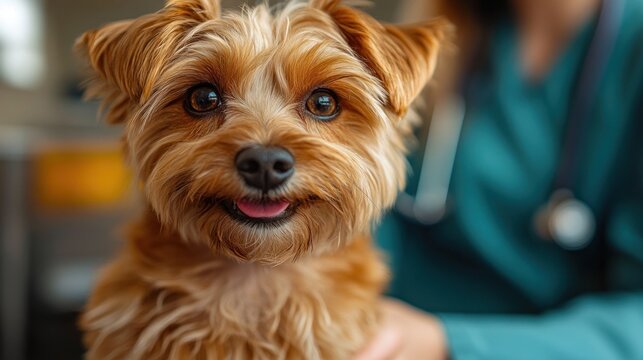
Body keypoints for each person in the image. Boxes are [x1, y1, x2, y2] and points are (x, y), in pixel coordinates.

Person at [358, 0, 643, 358]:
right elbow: (368, 217)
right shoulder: (438, 31)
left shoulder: (631, 49)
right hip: (371, 331)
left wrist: (447, 343)